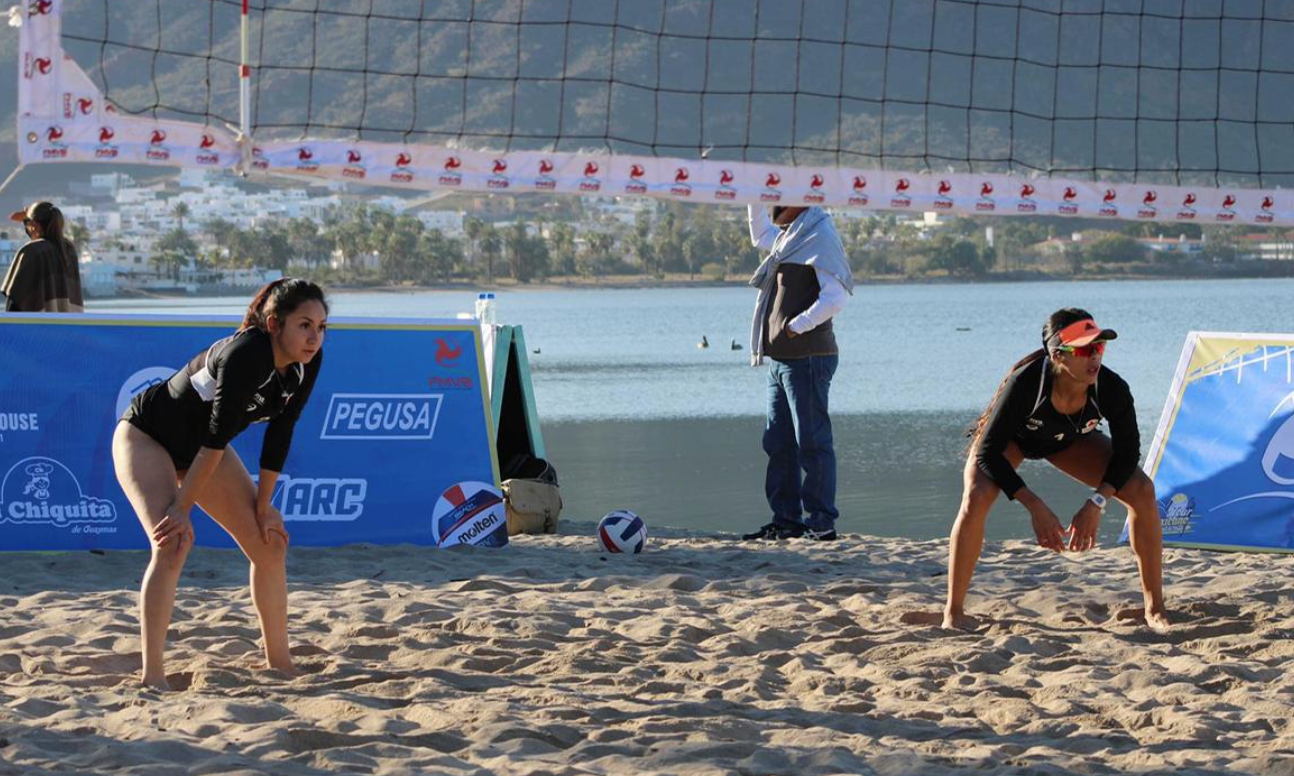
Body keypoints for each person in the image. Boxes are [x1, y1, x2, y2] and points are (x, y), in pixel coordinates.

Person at [112, 278, 328, 689]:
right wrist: (181, 509)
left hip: (202, 450)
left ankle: (281, 666)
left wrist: (264, 507)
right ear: (274, 324)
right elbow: (214, 440)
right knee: (172, 542)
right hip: (147, 437)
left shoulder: (306, 363)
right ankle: (152, 676)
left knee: (269, 543)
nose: (314, 337)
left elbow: (280, 433)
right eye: (304, 325)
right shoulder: (247, 354)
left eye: (321, 327)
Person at [944, 308, 1170, 632]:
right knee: (976, 497)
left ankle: (1155, 608)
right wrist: (1034, 505)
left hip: (1067, 442)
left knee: (1142, 490)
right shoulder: (1026, 383)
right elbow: (988, 453)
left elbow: (1128, 453)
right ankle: (953, 613)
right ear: (1057, 355)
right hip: (1013, 441)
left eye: (1099, 346)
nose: (1095, 355)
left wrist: (1097, 502)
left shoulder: (1111, 387)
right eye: (1083, 349)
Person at [741, 205, 853, 541]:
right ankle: (787, 520)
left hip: (808, 357)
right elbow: (760, 235)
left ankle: (821, 522)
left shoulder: (820, 236)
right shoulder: (792, 237)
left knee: (812, 442)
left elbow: (835, 298)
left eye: (779, 194)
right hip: (781, 360)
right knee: (778, 442)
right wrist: (752, 194)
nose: (774, 203)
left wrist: (795, 327)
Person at [1, 201, 84, 312]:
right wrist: (29, 221)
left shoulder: (31, 251)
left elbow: (16, 301)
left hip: (38, 322)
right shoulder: (69, 249)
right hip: (68, 321)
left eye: (28, 224)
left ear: (34, 225)